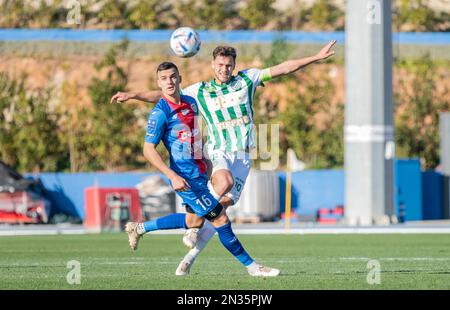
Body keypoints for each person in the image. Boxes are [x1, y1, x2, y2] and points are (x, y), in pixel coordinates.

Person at [111, 41, 336, 275]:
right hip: (218, 152)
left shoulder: (247, 80)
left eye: (228, 65)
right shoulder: (199, 90)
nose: (224, 69)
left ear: (234, 65)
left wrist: (315, 57)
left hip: (243, 157)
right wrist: (133, 95)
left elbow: (283, 68)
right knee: (222, 188)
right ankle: (250, 266)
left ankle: (186, 257)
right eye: (220, 65)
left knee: (216, 212)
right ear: (212, 65)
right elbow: (163, 95)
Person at [125, 61, 280, 277]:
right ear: (158, 83)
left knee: (192, 221)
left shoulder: (190, 102)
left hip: (199, 173)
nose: (169, 81)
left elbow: (195, 135)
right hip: (184, 179)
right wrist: (172, 176)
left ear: (179, 78)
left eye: (172, 77)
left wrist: (206, 162)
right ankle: (253, 268)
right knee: (220, 219)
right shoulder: (160, 113)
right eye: (164, 79)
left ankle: (139, 228)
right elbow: (148, 150)